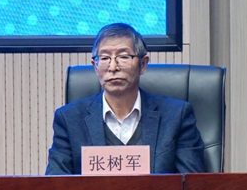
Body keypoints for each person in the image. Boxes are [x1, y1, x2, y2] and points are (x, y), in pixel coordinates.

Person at [46, 23, 205, 174]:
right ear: (95, 66)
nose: (113, 67)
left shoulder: (176, 116)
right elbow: (56, 185)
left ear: (143, 64)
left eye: (123, 57)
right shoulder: (69, 119)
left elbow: (191, 184)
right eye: (105, 58)